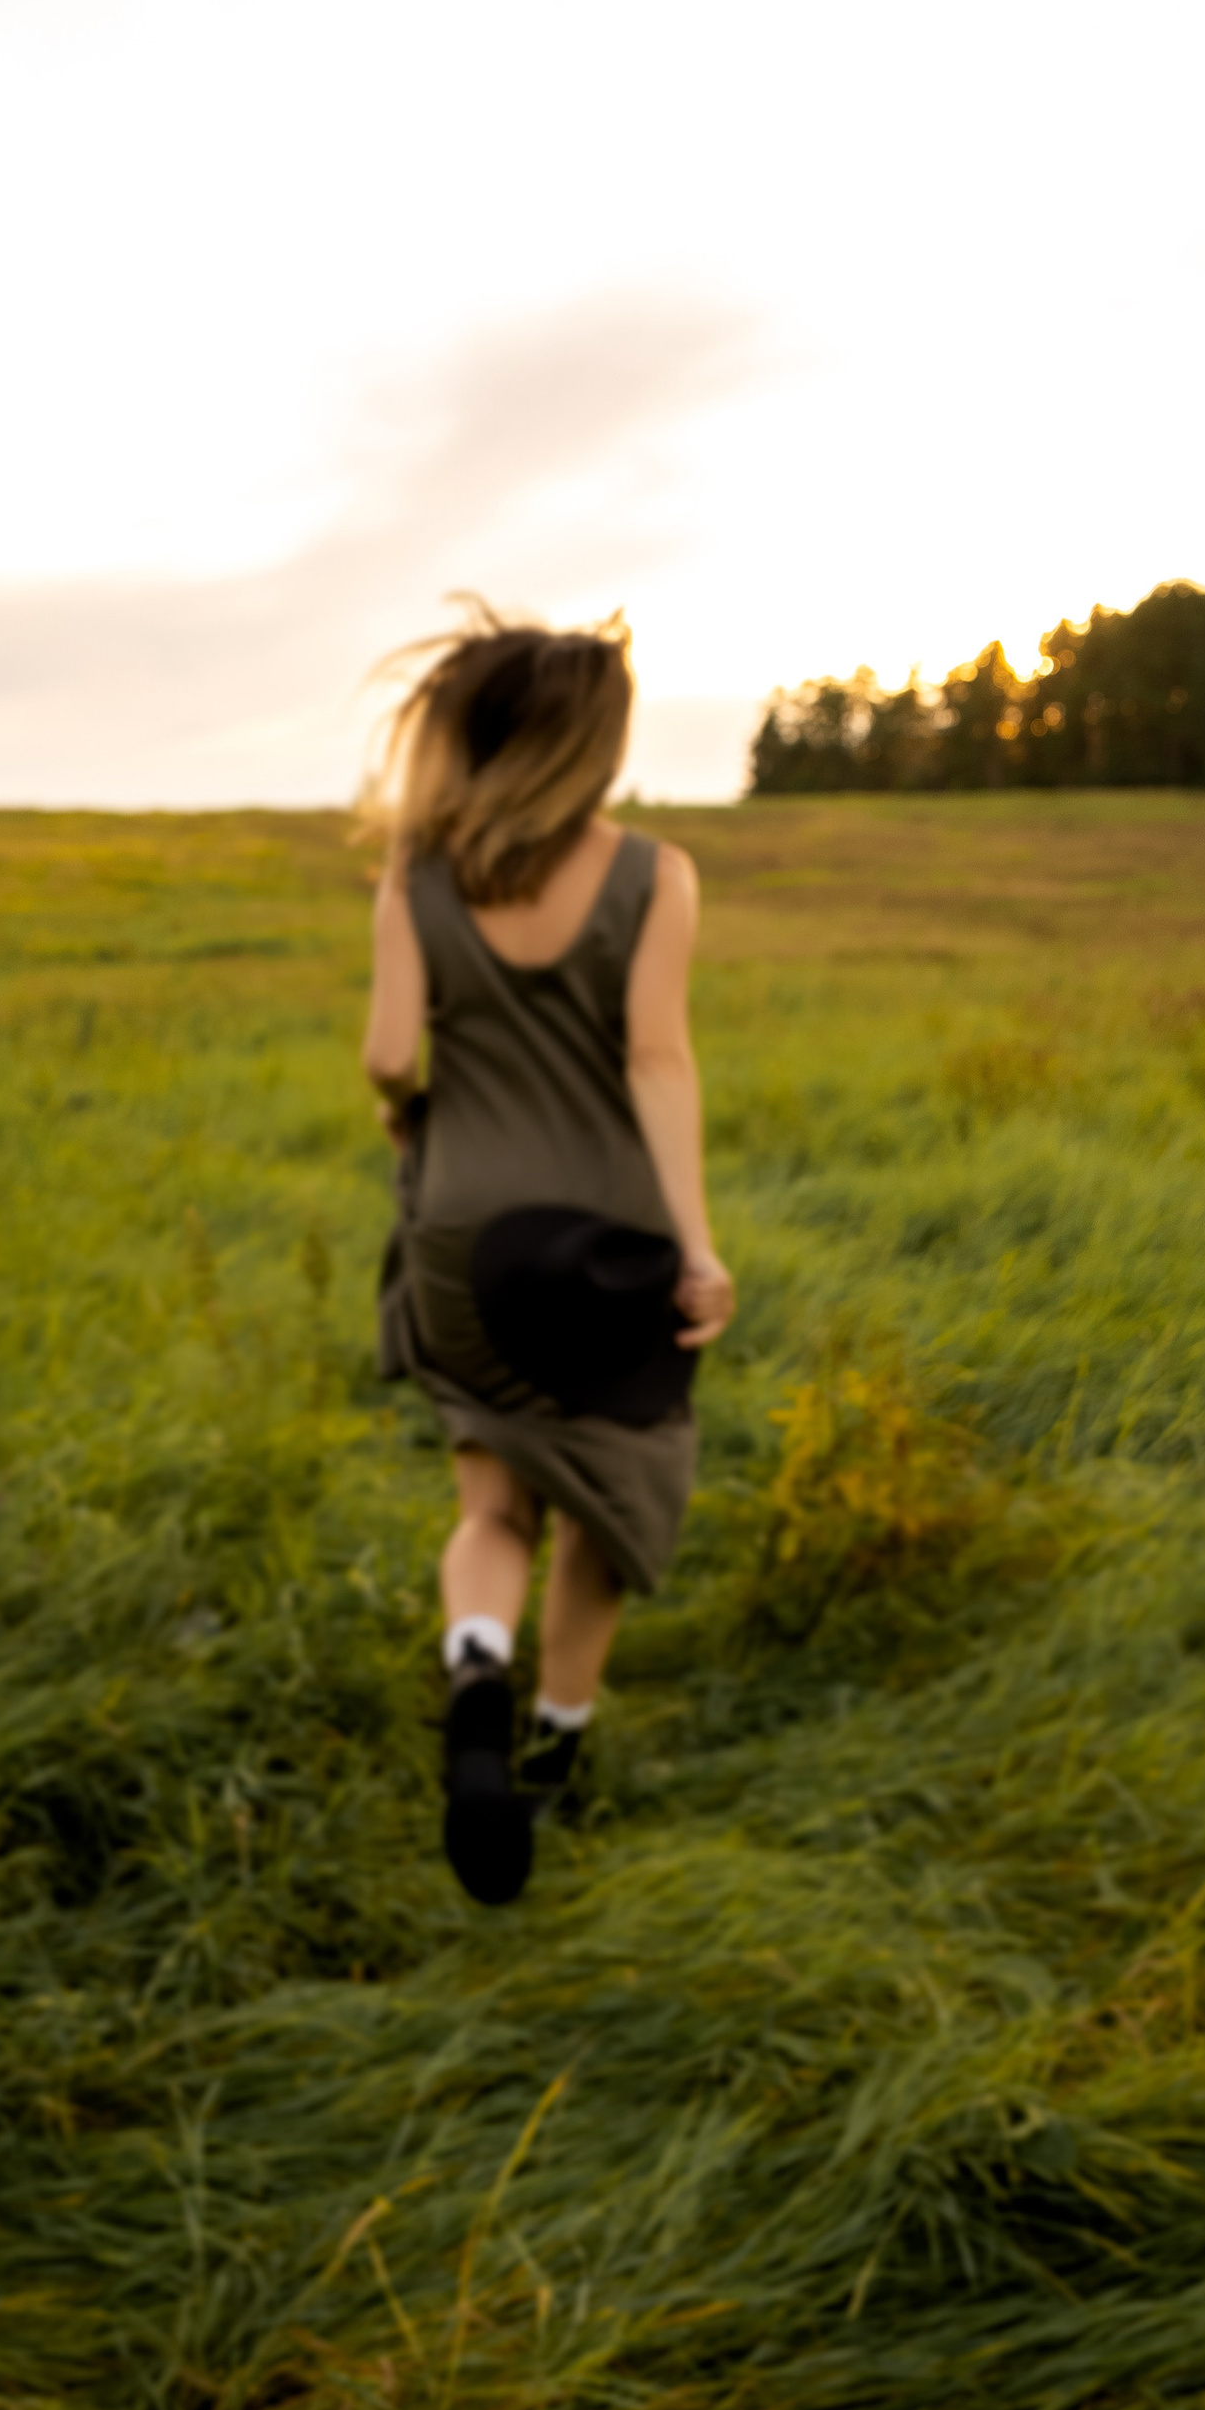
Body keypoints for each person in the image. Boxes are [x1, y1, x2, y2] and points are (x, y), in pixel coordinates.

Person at [362, 608, 737, 1906]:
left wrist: (412, 1119)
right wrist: (695, 1248)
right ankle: (557, 1750)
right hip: (609, 1251)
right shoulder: (654, 876)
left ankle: (478, 1666)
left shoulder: (415, 874)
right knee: (610, 1503)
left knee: (491, 1504)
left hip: (465, 1239)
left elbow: (390, 1057)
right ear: (590, 743)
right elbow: (657, 1059)